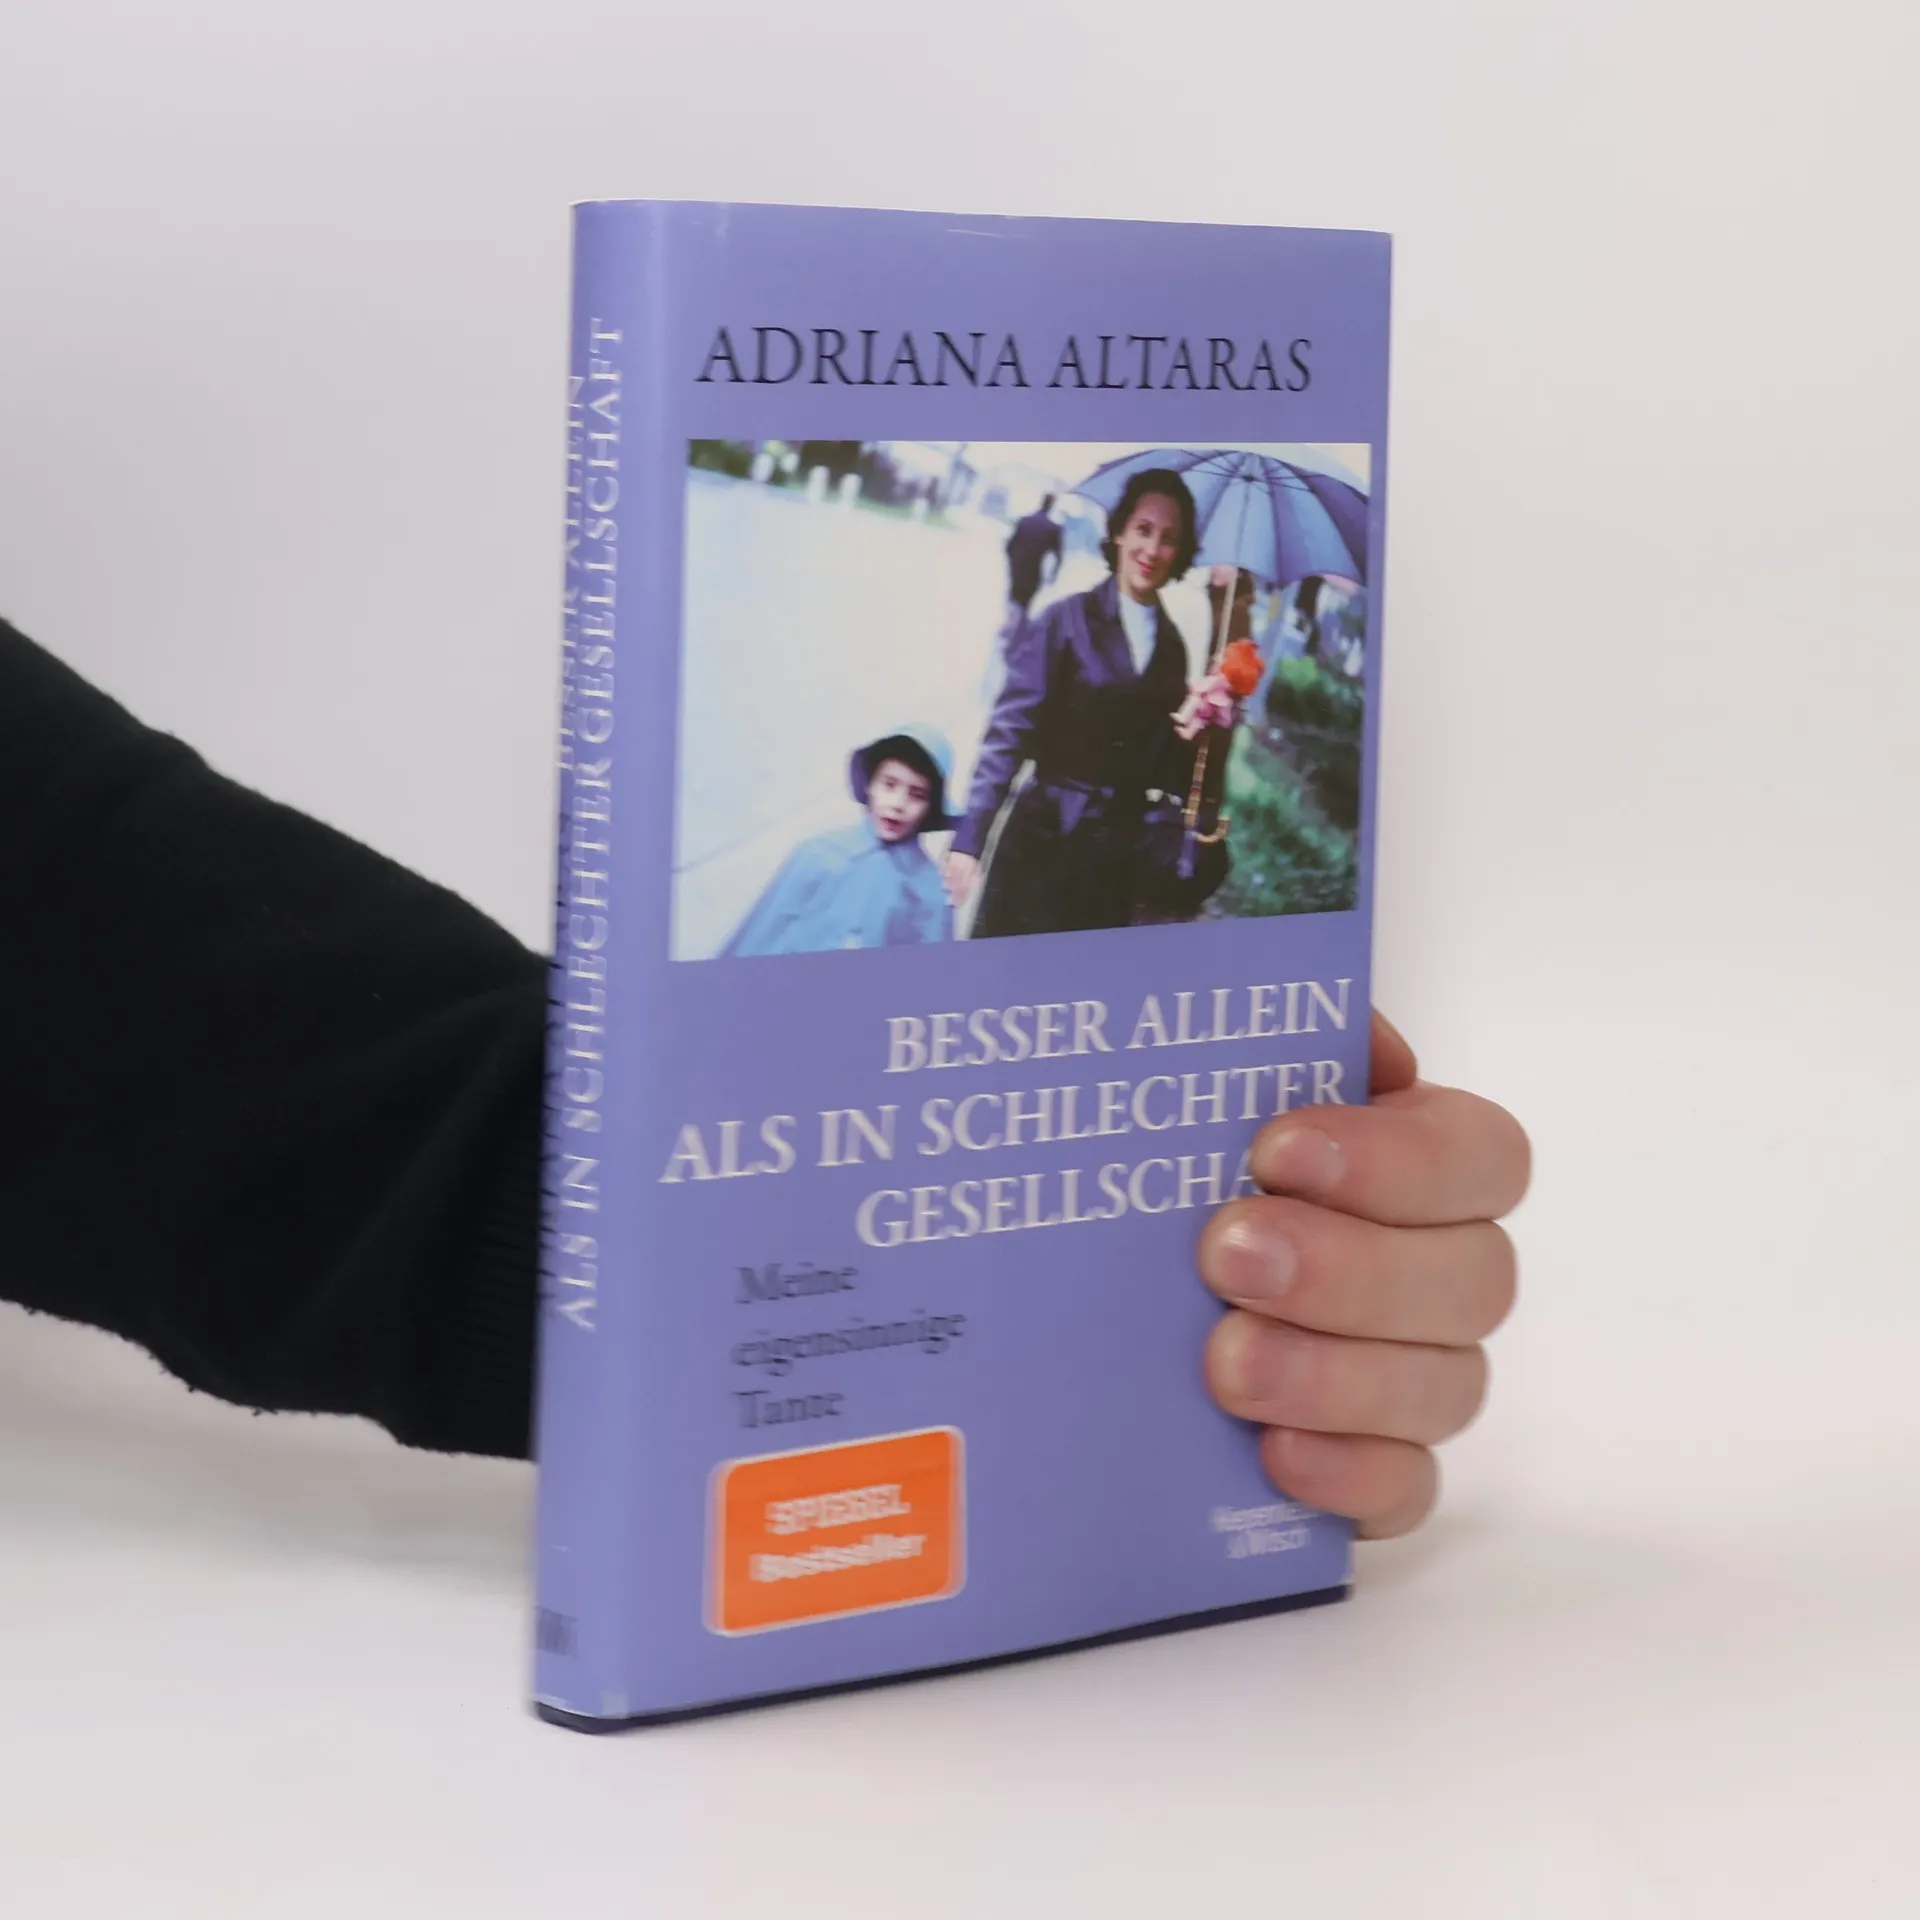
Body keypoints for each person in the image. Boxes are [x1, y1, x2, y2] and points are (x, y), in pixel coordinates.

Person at [0, 617, 1527, 1539]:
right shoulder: (851, 833)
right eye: (892, 780)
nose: (899, 799)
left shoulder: (1015, 808)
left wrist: (1044, 1240)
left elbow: (82, 934)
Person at [947, 469, 1215, 935]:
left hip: (1112, 862)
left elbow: (1163, 772)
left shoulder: (1173, 650)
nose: (1152, 550)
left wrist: (1206, 726)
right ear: (1119, 532)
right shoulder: (1065, 620)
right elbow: (1008, 736)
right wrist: (970, 839)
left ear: (1181, 551)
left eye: (1169, 538)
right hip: (1041, 841)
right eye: (1143, 529)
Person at [720, 725, 955, 957]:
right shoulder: (818, 854)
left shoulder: (931, 889)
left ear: (931, 807)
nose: (898, 804)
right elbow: (761, 934)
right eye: (889, 785)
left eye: (917, 795)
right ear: (870, 785)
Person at [1003, 492, 1063, 618]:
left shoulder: (1025, 521)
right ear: (1052, 506)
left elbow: (1009, 547)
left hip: (1017, 569)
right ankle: (1018, 623)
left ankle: (1011, 622)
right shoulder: (1053, 529)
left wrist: (1013, 563)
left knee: (1013, 600)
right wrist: (1053, 575)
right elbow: (1058, 556)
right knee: (1024, 604)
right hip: (1033, 572)